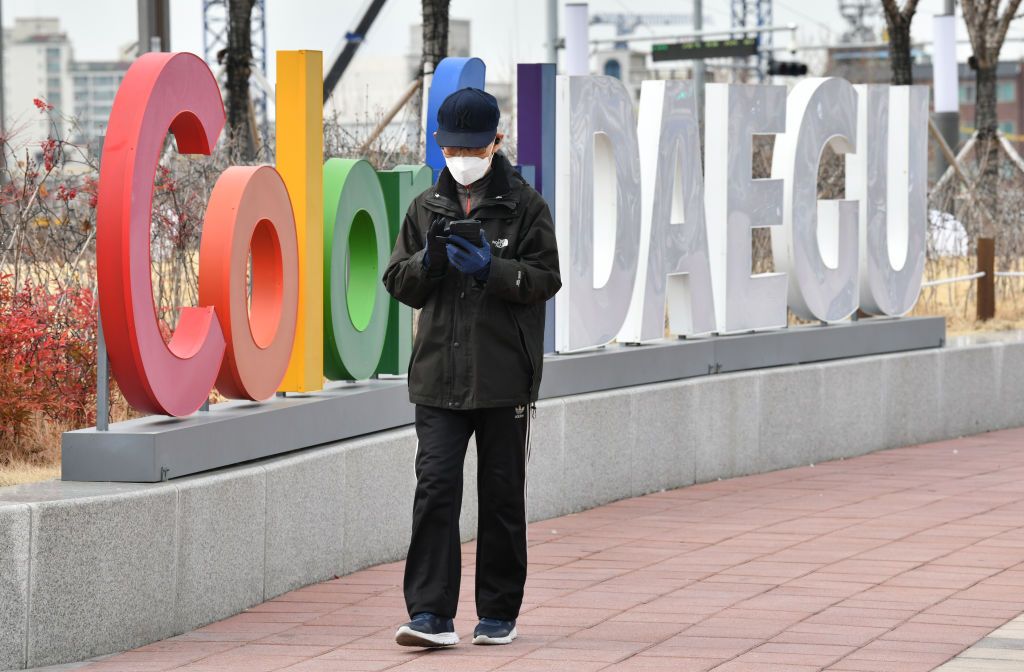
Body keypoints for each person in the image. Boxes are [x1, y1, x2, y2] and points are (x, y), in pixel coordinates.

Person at [382, 86, 561, 648]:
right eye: (453, 148)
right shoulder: (424, 207)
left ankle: (498, 612)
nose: (463, 158)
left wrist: (494, 269)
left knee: (502, 492)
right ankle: (430, 614)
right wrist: (428, 262)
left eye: (474, 148)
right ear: (438, 143)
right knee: (435, 488)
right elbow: (396, 281)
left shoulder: (526, 205)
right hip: (437, 378)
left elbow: (546, 279)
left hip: (504, 378)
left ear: (495, 144)